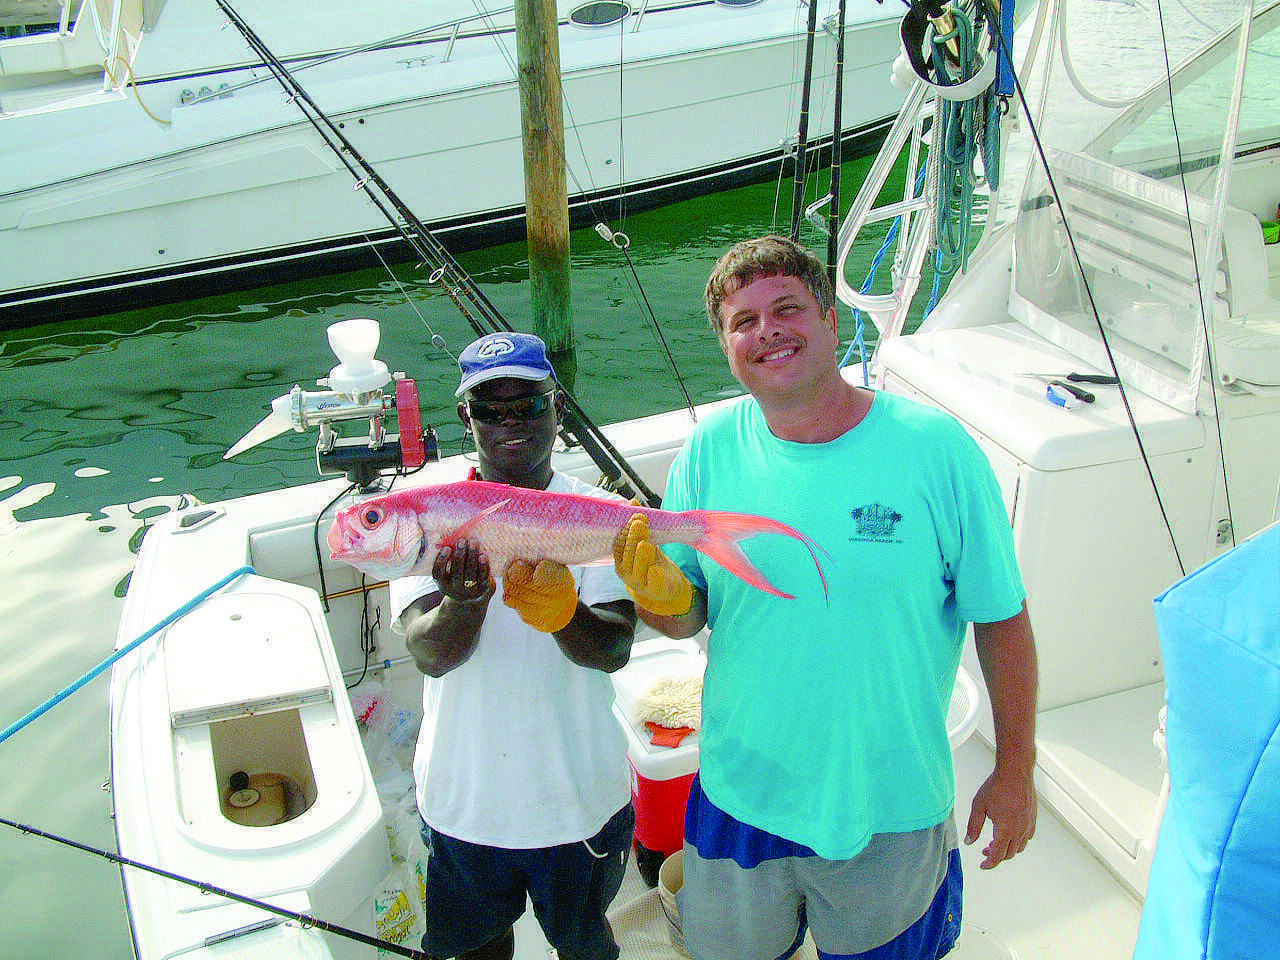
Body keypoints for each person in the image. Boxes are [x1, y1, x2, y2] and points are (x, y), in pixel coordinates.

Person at [612, 236, 1038, 960]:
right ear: (725, 346)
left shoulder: (936, 450)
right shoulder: (709, 450)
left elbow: (1000, 619)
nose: (767, 331)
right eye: (743, 321)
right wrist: (652, 592)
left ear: (832, 320)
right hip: (738, 793)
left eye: (787, 309)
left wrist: (1016, 768)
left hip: (890, 804)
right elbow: (688, 614)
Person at [391, 331, 637, 960]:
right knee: (475, 949)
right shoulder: (429, 514)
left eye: (528, 405)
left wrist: (563, 613)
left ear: (557, 407)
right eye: (490, 409)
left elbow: (612, 650)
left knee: (584, 944)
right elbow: (430, 654)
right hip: (463, 806)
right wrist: (466, 602)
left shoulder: (599, 515)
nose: (511, 423)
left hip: (580, 804)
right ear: (464, 417)